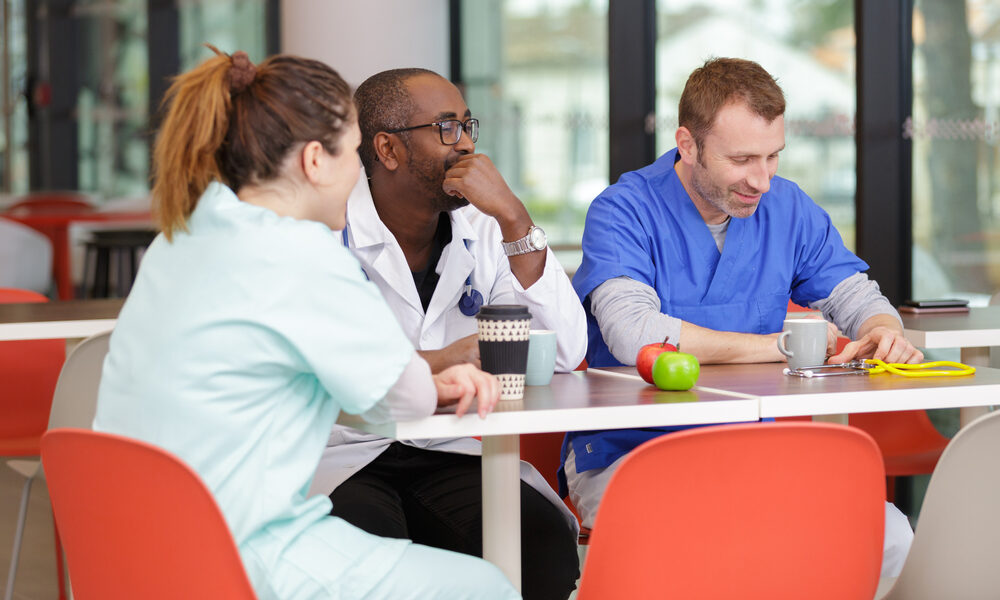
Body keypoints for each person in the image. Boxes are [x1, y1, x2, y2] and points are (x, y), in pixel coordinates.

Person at [93, 48, 520, 600]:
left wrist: (417, 379)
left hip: (130, 547)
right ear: (315, 160)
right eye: (354, 154)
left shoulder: (182, 237)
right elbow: (404, 405)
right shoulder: (301, 254)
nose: (359, 173)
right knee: (485, 586)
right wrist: (422, 384)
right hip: (239, 553)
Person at [565, 57, 922, 577]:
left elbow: (855, 295)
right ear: (688, 146)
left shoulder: (789, 210)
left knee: (887, 535)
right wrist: (781, 344)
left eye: (774, 156)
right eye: (742, 159)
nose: (764, 180)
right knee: (717, 552)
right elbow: (634, 333)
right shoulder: (624, 211)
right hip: (631, 453)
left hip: (754, 446)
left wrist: (883, 331)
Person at [309, 68, 587, 600]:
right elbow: (321, 371)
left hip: (446, 448)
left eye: (467, 126)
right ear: (387, 149)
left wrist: (512, 216)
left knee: (541, 541)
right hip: (342, 451)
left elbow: (566, 353)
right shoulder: (327, 229)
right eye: (445, 129)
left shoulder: (487, 228)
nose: (465, 145)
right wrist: (441, 359)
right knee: (371, 560)